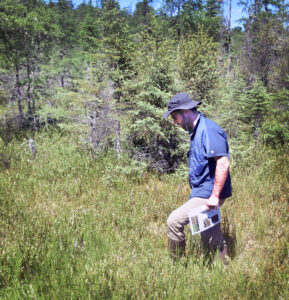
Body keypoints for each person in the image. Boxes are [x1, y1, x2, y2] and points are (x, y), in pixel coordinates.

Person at [162, 92, 232, 261]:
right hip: (202, 191)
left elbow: (223, 162)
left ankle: (176, 264)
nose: (174, 122)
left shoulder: (208, 130)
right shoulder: (196, 131)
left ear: (186, 111)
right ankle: (221, 267)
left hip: (208, 193)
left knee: (174, 221)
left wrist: (214, 196)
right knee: (208, 235)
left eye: (175, 117)